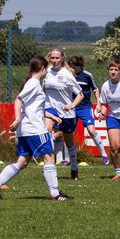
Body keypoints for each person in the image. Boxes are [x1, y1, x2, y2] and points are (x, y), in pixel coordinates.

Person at [0, 57, 73, 201]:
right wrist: (17, 119)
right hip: (35, 129)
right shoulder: (33, 83)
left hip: (25, 131)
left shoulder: (33, 83)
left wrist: (51, 116)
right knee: (49, 157)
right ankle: (55, 194)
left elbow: (33, 107)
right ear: (42, 69)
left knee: (22, 162)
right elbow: (19, 100)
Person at [43, 48, 84, 179]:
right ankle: (50, 166)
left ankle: (74, 168)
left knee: (69, 142)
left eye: (57, 58)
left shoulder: (67, 74)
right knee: (46, 131)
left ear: (62, 59)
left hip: (67, 113)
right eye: (52, 58)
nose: (54, 60)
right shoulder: (46, 72)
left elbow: (80, 94)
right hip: (50, 109)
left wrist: (72, 105)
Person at [69, 55, 110, 166]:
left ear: (78, 66)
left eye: (72, 65)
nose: (70, 67)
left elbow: (95, 89)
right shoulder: (68, 75)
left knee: (92, 130)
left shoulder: (87, 75)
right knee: (68, 133)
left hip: (85, 107)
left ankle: (104, 155)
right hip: (71, 108)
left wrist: (98, 103)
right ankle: (68, 158)